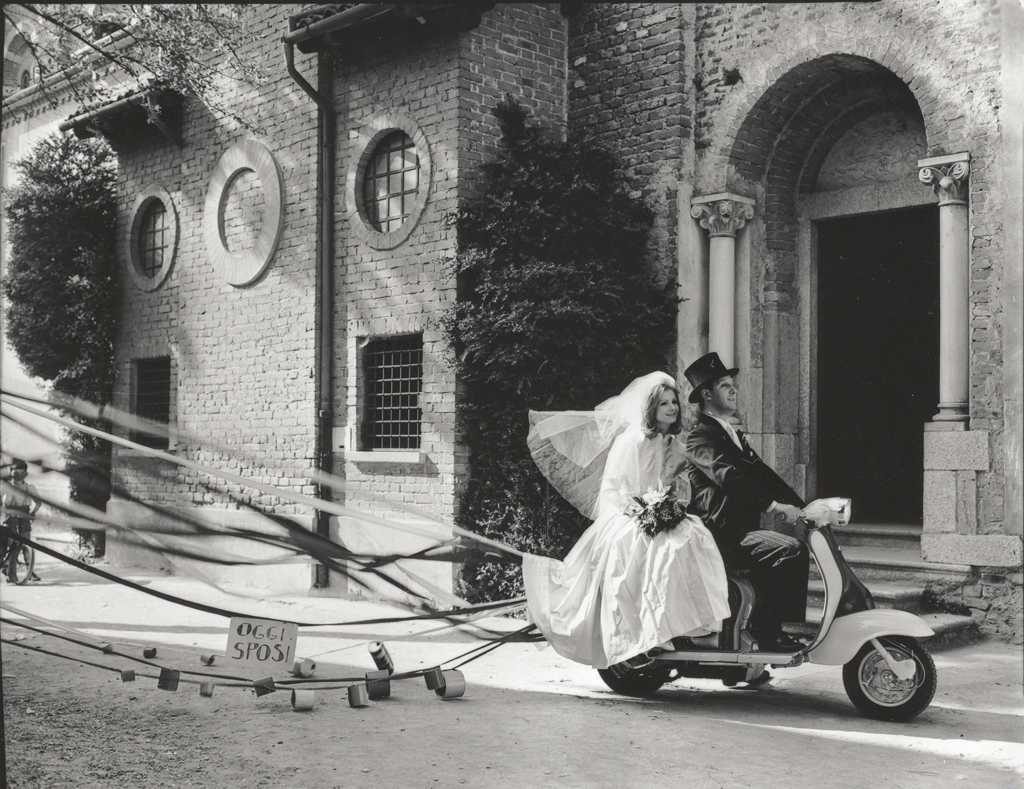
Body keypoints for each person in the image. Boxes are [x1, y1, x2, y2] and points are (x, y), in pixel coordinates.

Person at [522, 372, 731, 670]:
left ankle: (688, 624)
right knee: (655, 549)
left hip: (658, 510)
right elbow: (615, 489)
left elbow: (674, 483)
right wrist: (643, 511)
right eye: (664, 405)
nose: (672, 409)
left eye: (674, 403)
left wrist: (670, 504)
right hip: (628, 514)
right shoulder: (632, 440)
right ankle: (652, 631)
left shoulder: (671, 442)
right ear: (651, 409)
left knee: (695, 537)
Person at [682, 352, 808, 652]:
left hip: (737, 532)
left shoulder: (731, 434)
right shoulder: (701, 438)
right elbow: (728, 477)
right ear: (707, 395)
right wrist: (775, 508)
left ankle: (765, 632)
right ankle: (768, 634)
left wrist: (803, 507)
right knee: (789, 551)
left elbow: (766, 477)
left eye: (732, 384)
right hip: (717, 537)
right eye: (725, 386)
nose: (734, 390)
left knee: (791, 549)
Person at [1, 459, 42, 582]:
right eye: (15, 472)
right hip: (10, 517)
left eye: (20, 472)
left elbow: (38, 502)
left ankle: (29, 570)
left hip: (24, 517)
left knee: (26, 543)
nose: (17, 475)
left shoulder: (29, 488)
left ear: (25, 474)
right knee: (10, 544)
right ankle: (9, 570)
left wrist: (33, 513)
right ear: (11, 472)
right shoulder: (6, 487)